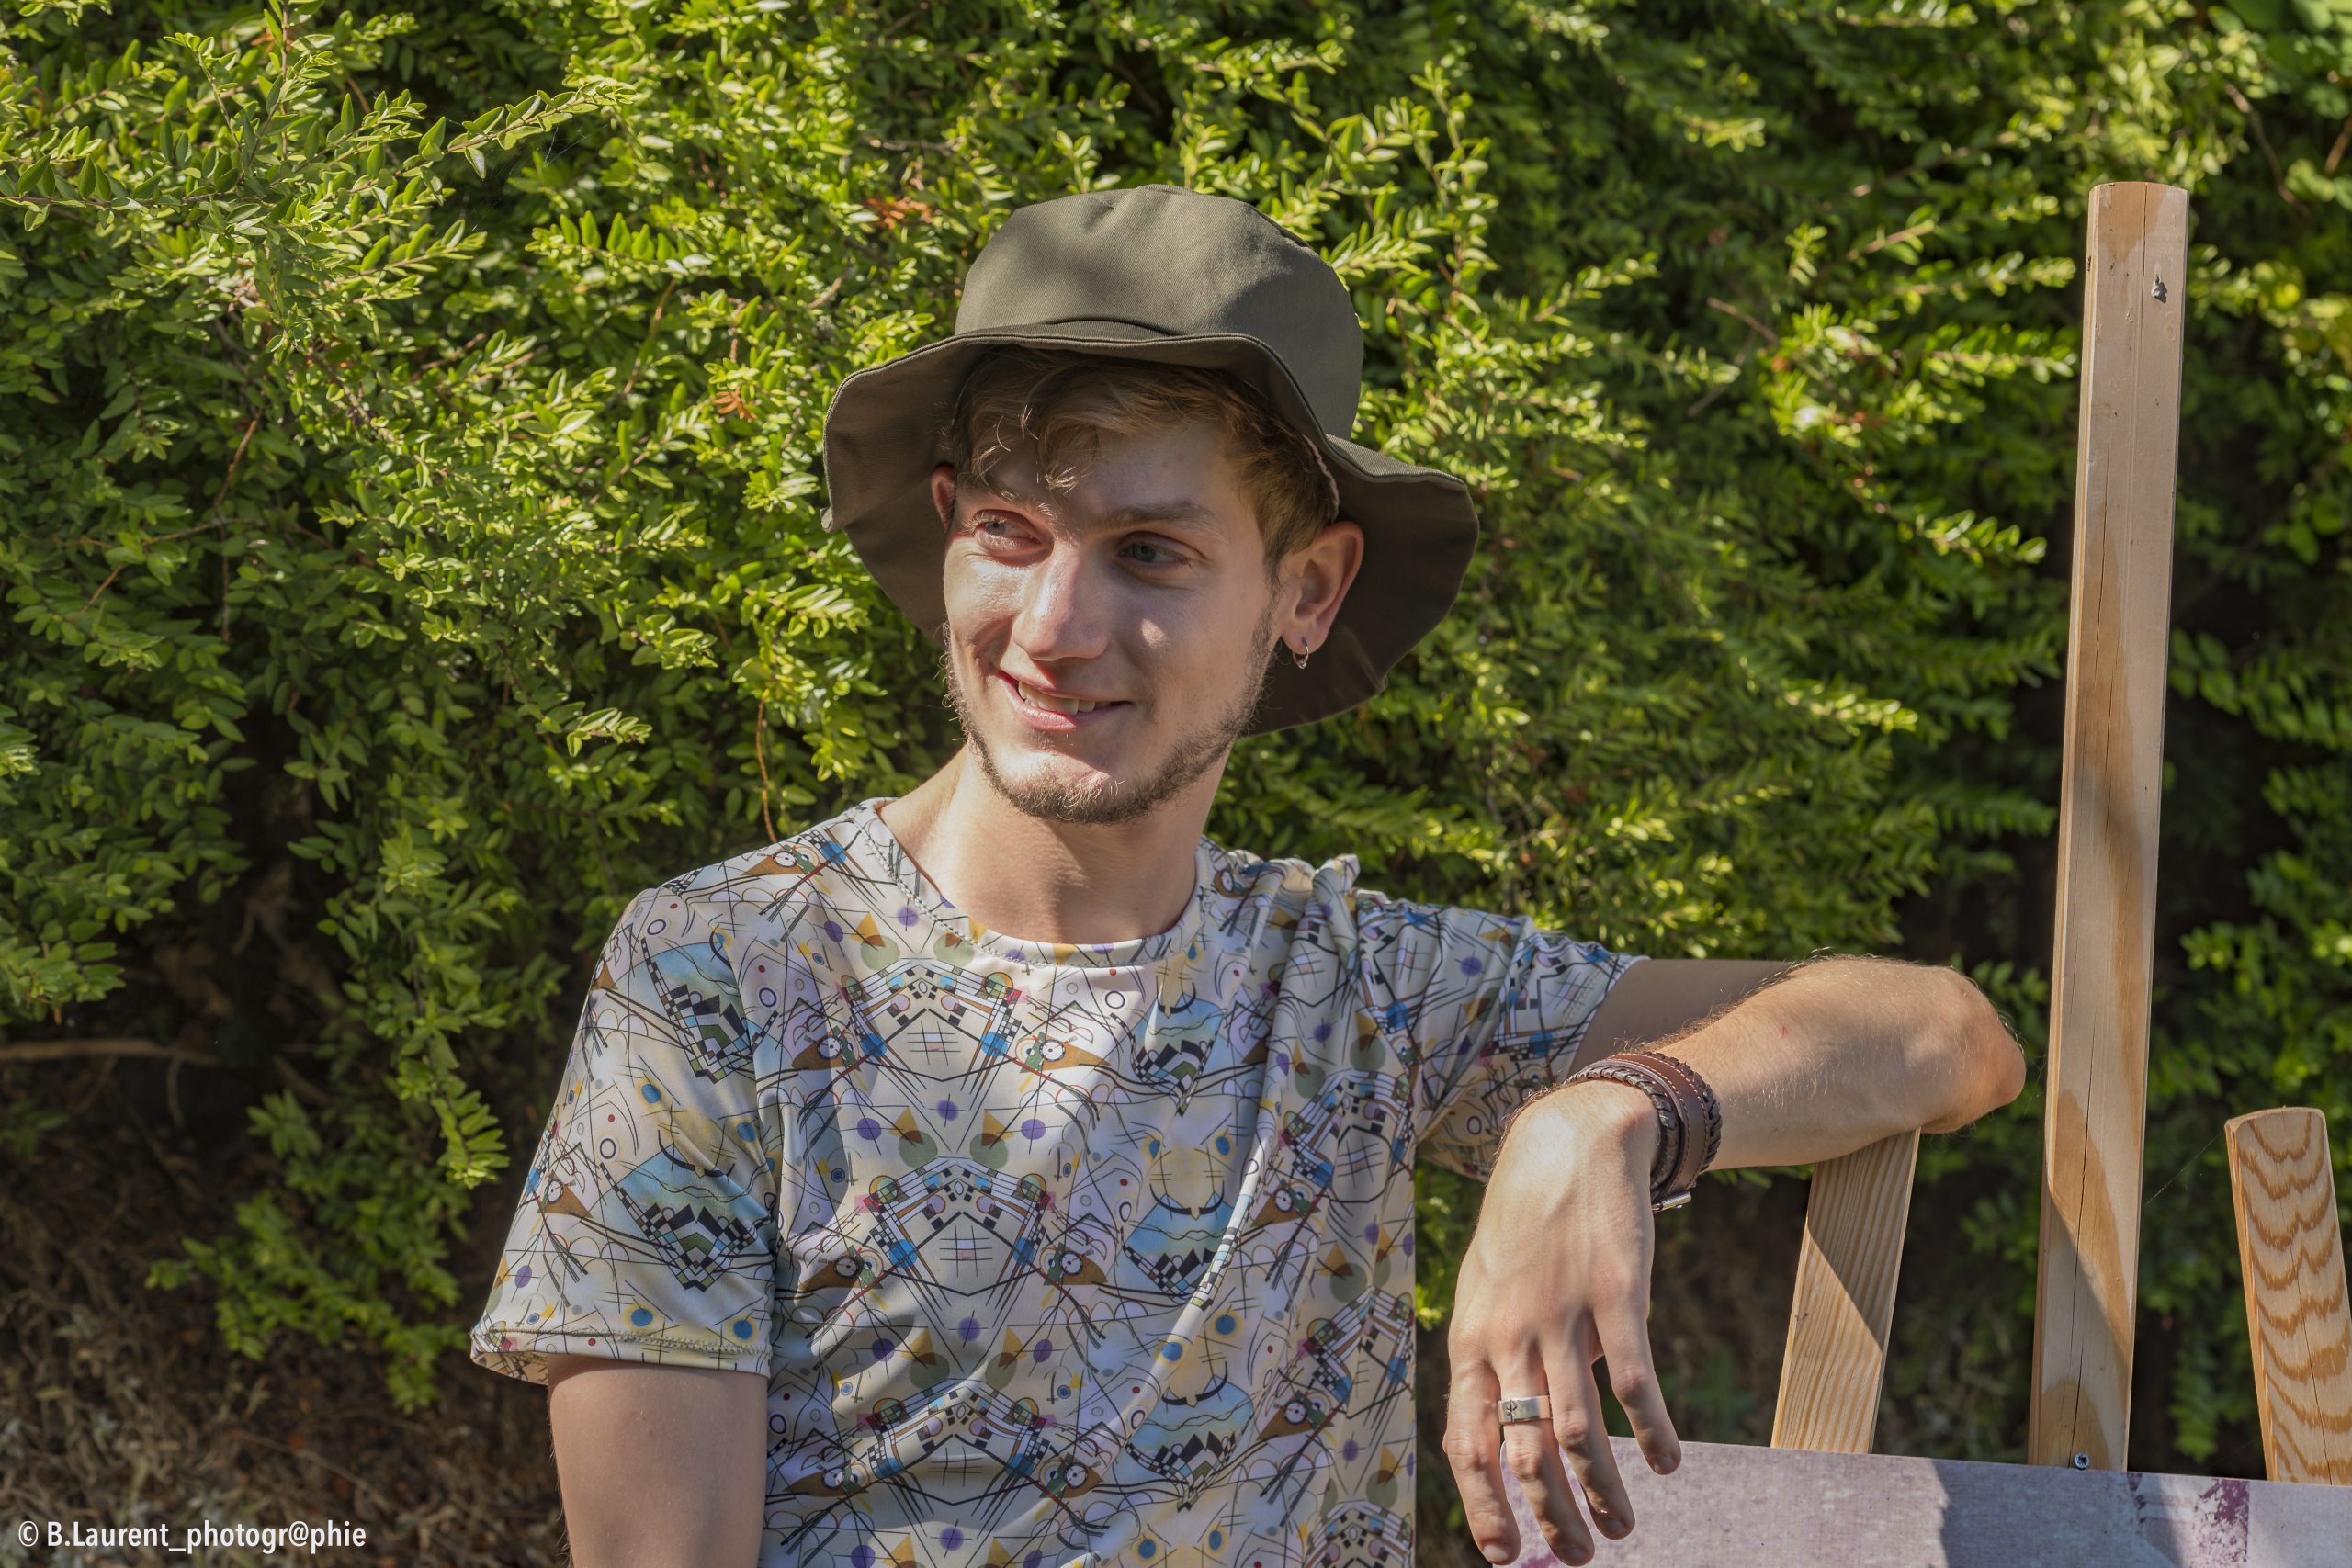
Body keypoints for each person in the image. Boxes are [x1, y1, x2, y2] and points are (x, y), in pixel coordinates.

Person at [467, 184, 2026, 1568]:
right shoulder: (723, 972)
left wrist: (1607, 1112)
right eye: (1010, 532)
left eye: (1150, 553)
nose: (1054, 628)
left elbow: (1940, 1034)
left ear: (1309, 589)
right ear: (945, 531)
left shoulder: (1358, 991)